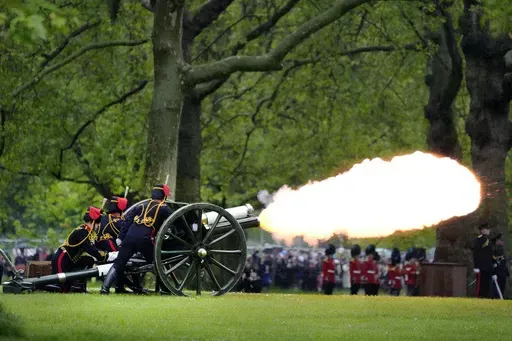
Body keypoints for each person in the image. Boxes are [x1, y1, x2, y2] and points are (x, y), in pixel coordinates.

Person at [101, 184, 173, 295]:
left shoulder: (140, 206)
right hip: (146, 239)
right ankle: (165, 289)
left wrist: (121, 237)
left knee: (118, 264)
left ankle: (104, 289)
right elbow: (174, 221)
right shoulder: (164, 208)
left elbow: (127, 222)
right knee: (156, 263)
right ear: (164, 196)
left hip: (129, 238)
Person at [51, 206, 115, 293]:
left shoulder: (87, 232)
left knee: (88, 260)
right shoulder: (82, 232)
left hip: (71, 260)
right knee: (62, 288)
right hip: (62, 259)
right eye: (97, 223)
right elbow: (91, 249)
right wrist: (107, 256)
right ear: (93, 222)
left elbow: (93, 247)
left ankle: (81, 287)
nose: (98, 226)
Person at [472, 223, 494, 298]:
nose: (488, 230)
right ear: (482, 230)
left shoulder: (489, 240)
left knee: (487, 283)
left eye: (488, 229)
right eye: (486, 229)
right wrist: (476, 266)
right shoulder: (479, 240)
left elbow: (490, 254)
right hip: (481, 266)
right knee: (480, 284)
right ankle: (480, 297)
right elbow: (476, 253)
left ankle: (486, 296)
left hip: (488, 266)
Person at [492, 234, 509, 299]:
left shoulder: (502, 248)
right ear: (497, 241)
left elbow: (504, 259)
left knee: (502, 286)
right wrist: (493, 272)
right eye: (501, 240)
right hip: (497, 270)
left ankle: (500, 297)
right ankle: (496, 298)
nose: (502, 242)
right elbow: (492, 260)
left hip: (503, 270)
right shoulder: (493, 248)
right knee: (496, 287)